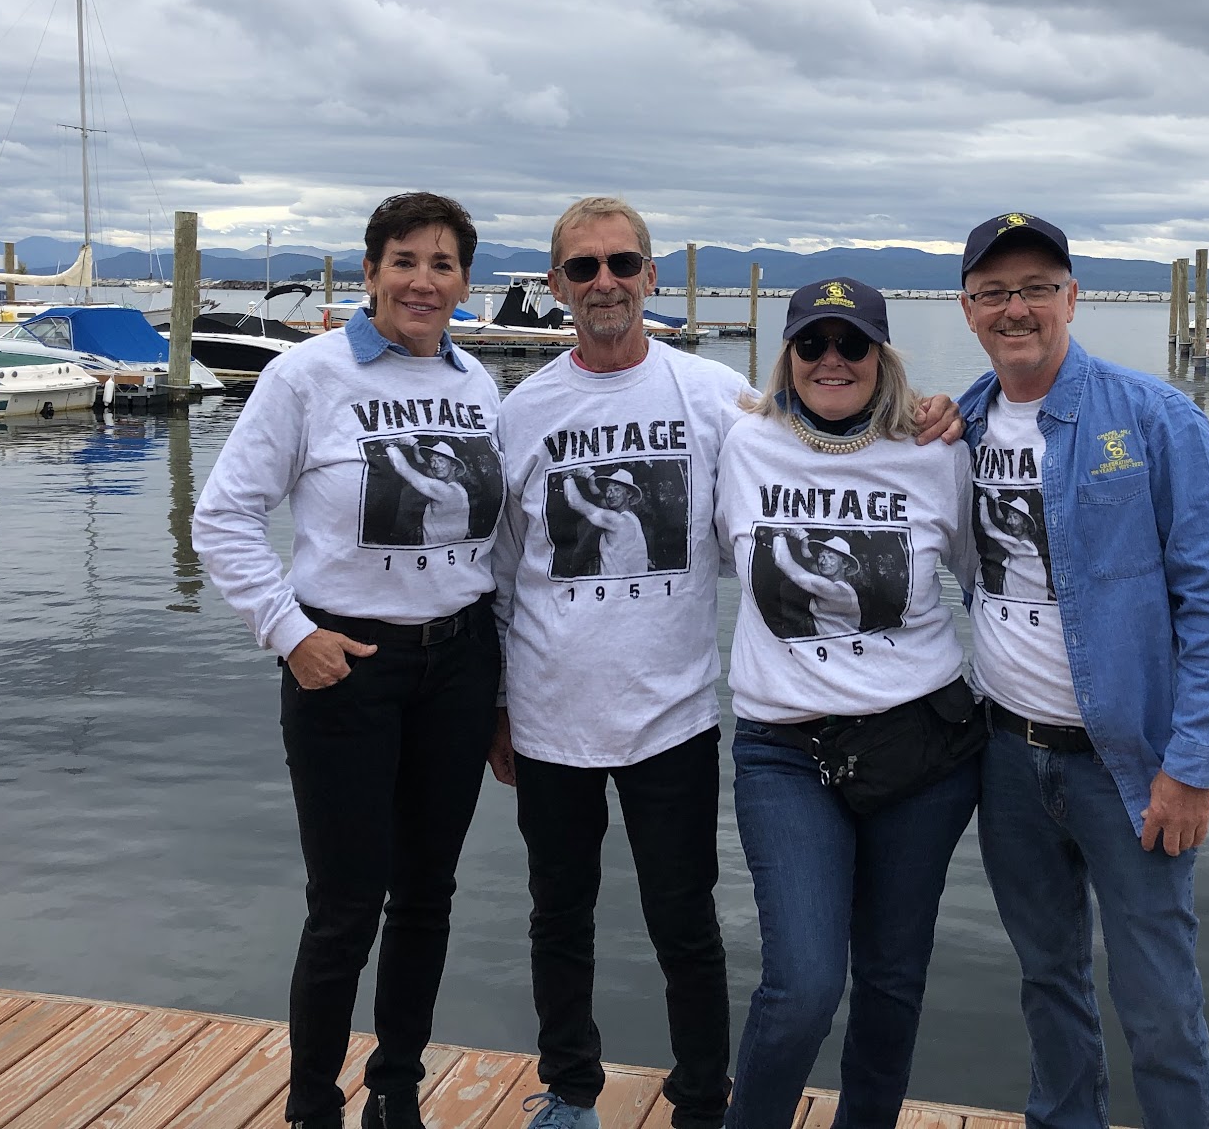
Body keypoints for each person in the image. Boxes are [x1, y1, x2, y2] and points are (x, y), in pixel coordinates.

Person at [489, 200, 961, 1129]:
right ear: (555, 286)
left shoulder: (714, 397)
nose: (605, 282)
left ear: (651, 274)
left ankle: (702, 1100)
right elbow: (502, 570)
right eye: (582, 268)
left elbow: (821, 438)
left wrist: (940, 412)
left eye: (622, 263)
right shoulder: (523, 411)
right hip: (549, 708)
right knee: (558, 914)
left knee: (686, 921)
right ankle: (570, 1090)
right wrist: (496, 702)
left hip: (674, 711)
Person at [194, 192, 504, 1129]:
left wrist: (503, 692)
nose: (422, 281)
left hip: (459, 662)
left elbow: (501, 546)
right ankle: (312, 1102)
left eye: (442, 264)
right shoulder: (307, 375)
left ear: (464, 282)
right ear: (370, 272)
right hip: (346, 664)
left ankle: (396, 1089)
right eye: (404, 261)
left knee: (427, 895)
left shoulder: (477, 384)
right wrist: (290, 633)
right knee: (345, 901)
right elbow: (224, 517)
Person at [955, 212, 1209, 1129]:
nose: (1016, 309)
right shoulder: (958, 425)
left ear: (1072, 298)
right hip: (1007, 760)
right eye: (995, 292)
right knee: (1048, 983)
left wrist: (1192, 765)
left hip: (1130, 768)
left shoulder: (1156, 418)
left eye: (1036, 289)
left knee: (1159, 1000)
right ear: (968, 309)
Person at [715, 278, 981, 1129]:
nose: (832, 360)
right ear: (788, 355)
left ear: (882, 356)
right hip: (785, 751)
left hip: (922, 750)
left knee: (893, 979)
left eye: (852, 344)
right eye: (812, 344)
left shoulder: (936, 451)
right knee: (802, 985)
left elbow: (988, 583)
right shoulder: (742, 442)